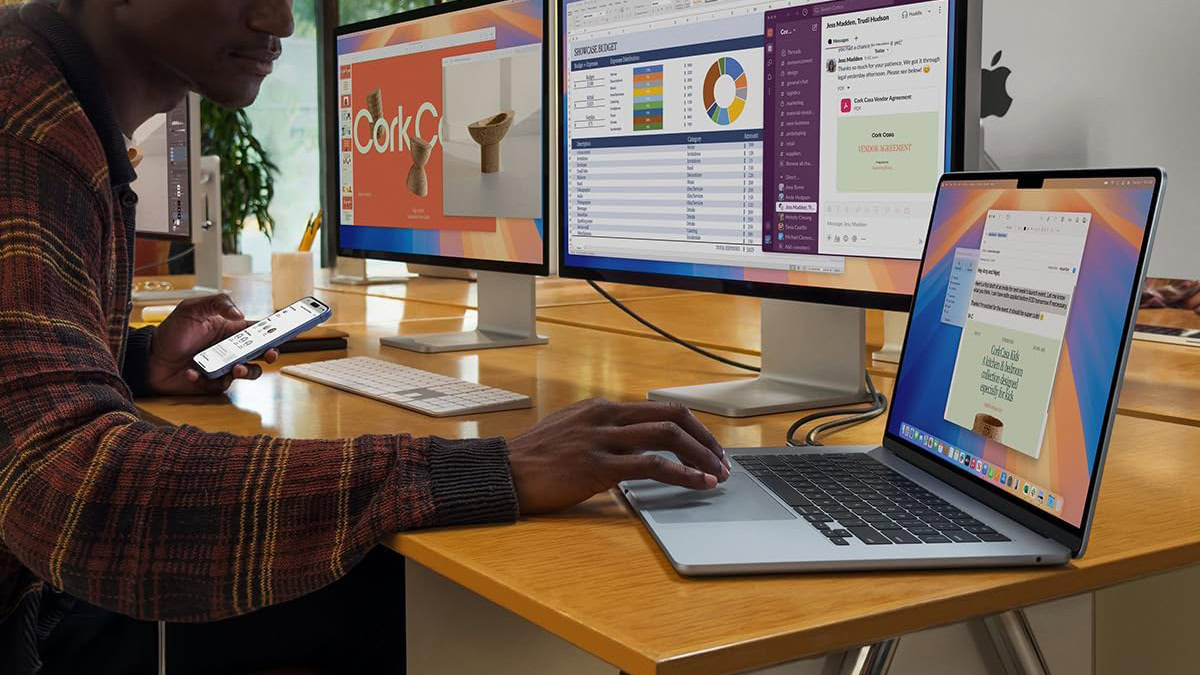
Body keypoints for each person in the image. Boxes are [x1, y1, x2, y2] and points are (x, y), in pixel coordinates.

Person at [0, 1, 730, 672]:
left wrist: (132, 361)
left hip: (33, 596)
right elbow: (65, 489)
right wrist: (493, 468)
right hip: (28, 616)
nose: (280, 21)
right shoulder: (23, 130)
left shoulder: (52, 103)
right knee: (415, 593)